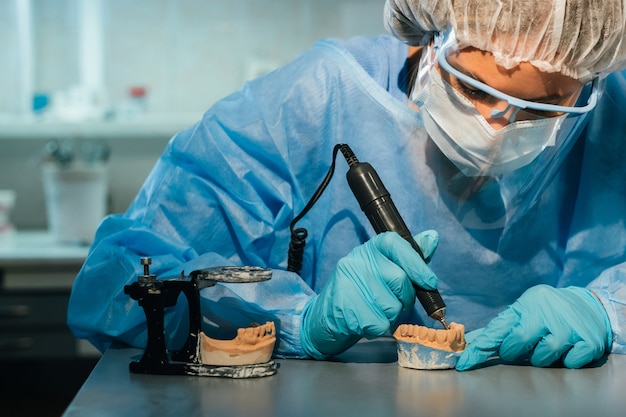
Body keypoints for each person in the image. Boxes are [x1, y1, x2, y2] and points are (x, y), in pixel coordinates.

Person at [68, 0, 626, 371]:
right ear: (434, 33)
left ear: (592, 76)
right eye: (474, 90)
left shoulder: (611, 118)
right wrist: (298, 320)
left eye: (541, 108)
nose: (497, 128)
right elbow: (114, 286)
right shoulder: (317, 100)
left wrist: (607, 311)